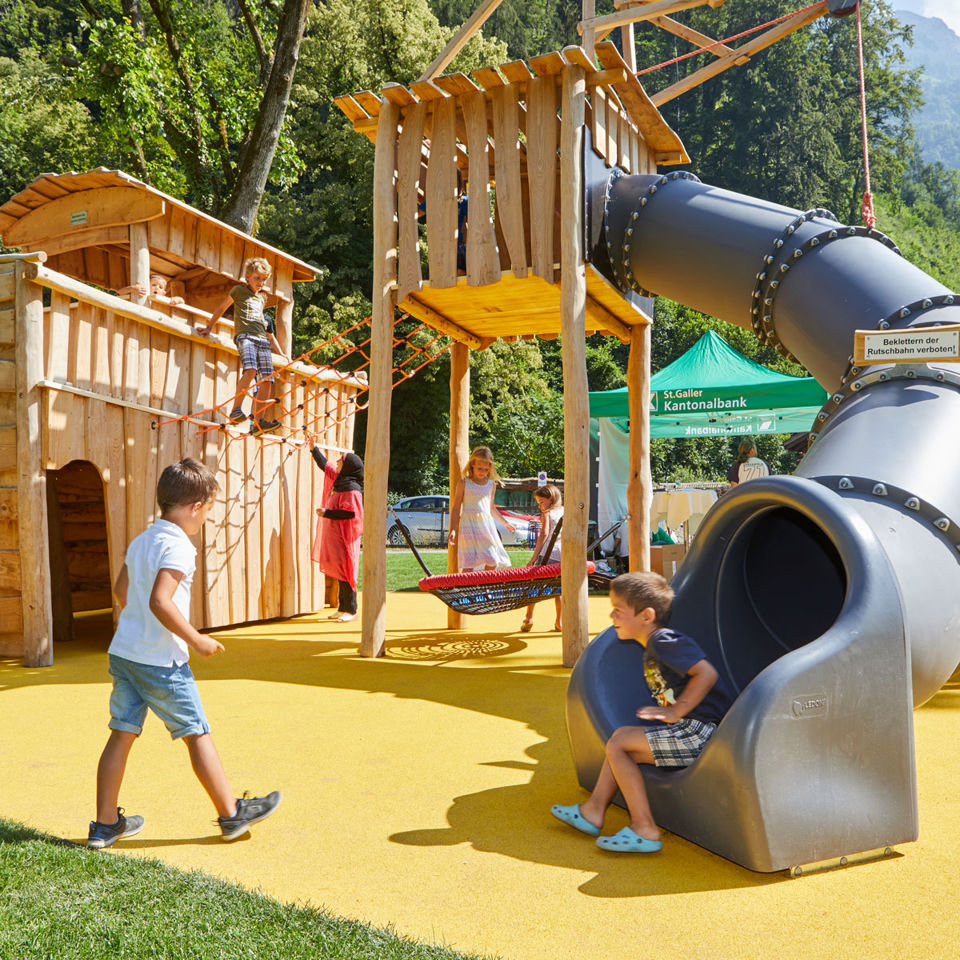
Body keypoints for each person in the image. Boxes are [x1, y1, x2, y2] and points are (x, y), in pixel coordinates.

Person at [87, 458, 281, 849]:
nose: (206, 518)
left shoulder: (143, 540)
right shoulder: (179, 546)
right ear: (196, 507)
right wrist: (197, 639)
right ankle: (231, 815)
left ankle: (105, 825)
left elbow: (123, 593)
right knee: (197, 733)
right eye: (208, 510)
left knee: (122, 732)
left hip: (125, 655)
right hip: (162, 663)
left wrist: (141, 623)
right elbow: (161, 601)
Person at [551, 571, 732, 853]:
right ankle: (593, 811)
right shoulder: (653, 647)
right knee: (620, 744)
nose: (612, 617)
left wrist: (675, 712)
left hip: (701, 732)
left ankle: (644, 828)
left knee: (620, 742)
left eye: (618, 610)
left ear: (646, 616)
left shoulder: (664, 641)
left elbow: (705, 674)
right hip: (690, 730)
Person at [198, 257, 287, 433]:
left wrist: (281, 352)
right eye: (257, 278)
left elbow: (268, 332)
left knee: (268, 379)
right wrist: (209, 327)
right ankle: (236, 409)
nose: (260, 282)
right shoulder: (238, 291)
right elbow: (222, 308)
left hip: (262, 339)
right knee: (251, 370)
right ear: (247, 277)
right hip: (245, 336)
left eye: (263, 279)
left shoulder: (262, 298)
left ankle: (258, 421)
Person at [310, 444, 364, 622]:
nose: (337, 462)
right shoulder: (340, 480)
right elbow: (325, 465)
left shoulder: (351, 489)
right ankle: (342, 608)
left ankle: (351, 610)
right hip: (336, 536)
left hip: (346, 537)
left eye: (340, 460)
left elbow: (350, 513)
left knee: (348, 572)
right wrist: (313, 448)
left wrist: (327, 513)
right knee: (341, 572)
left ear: (348, 466)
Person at [447, 446, 515, 572]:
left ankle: (484, 587)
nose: (482, 472)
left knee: (492, 559)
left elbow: (491, 508)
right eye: (479, 468)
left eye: (486, 469)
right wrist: (452, 529)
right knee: (469, 563)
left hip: (485, 525)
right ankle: (466, 590)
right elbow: (456, 508)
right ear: (472, 464)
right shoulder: (464, 483)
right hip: (468, 525)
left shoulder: (491, 485)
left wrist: (505, 523)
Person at [520, 484, 563, 633]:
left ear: (550, 498)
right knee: (558, 589)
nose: (540, 506)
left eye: (541, 501)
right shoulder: (565, 512)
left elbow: (544, 535)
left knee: (535, 586)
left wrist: (534, 557)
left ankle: (528, 617)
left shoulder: (547, 513)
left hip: (548, 553)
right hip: (561, 554)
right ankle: (559, 621)